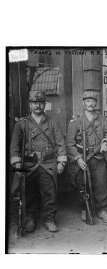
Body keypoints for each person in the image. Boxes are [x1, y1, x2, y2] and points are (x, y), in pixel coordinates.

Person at [10, 90, 67, 232]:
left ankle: (49, 219)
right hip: (29, 164)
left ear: (44, 104)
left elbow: (60, 143)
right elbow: (14, 146)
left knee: (50, 193)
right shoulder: (22, 124)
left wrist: (61, 162)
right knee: (29, 192)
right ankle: (31, 217)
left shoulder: (52, 122)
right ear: (30, 105)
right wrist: (17, 164)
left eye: (40, 103)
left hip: (48, 163)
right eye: (34, 103)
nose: (37, 106)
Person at [67, 91, 107, 223]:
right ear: (83, 103)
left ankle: (102, 210)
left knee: (101, 184)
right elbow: (69, 144)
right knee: (83, 184)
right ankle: (84, 208)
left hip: (99, 157)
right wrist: (78, 158)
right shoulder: (75, 121)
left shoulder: (102, 119)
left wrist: (106, 142)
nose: (90, 104)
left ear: (96, 103)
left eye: (93, 101)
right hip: (83, 158)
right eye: (87, 101)